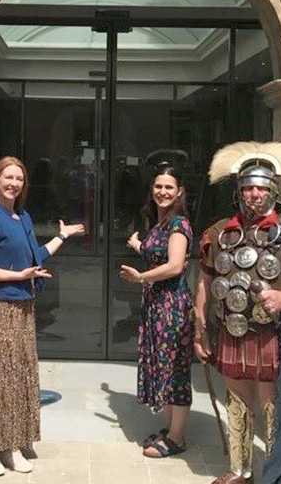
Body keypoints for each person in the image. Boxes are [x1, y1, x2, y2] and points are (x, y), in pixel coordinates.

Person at [194, 142, 281, 484]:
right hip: (230, 330)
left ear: (273, 191)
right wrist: (200, 331)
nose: (253, 194)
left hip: (274, 333)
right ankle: (240, 470)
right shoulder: (218, 233)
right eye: (247, 187)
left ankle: (275, 471)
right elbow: (205, 280)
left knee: (272, 404)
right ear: (239, 192)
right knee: (237, 399)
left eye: (260, 188)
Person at [0, 156, 85, 477]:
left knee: (18, 375)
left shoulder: (22, 217)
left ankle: (11, 442)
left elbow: (35, 256)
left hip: (25, 305)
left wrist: (62, 236)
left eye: (19, 179)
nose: (14, 183)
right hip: (1, 307)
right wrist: (18, 277)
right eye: (8, 177)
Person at [120, 163, 194, 458]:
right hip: (156, 305)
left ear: (179, 193)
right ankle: (169, 428)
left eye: (168, 187)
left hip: (172, 307)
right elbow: (161, 254)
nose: (162, 192)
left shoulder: (179, 224)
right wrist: (140, 246)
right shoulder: (160, 223)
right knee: (162, 366)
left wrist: (141, 277)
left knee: (175, 369)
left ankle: (177, 437)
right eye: (158, 187)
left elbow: (175, 266)